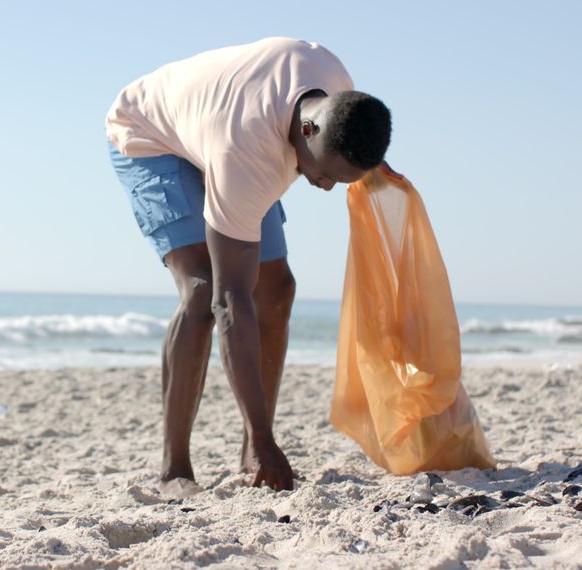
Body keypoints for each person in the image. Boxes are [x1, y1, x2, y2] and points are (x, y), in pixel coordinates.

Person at [105, 37, 391, 491]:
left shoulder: (335, 87)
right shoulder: (246, 157)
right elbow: (229, 300)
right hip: (150, 134)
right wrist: (265, 434)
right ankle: (175, 468)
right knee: (202, 291)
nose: (326, 187)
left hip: (217, 125)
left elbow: (349, 142)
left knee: (277, 289)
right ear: (310, 132)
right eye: (328, 175)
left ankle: (250, 453)